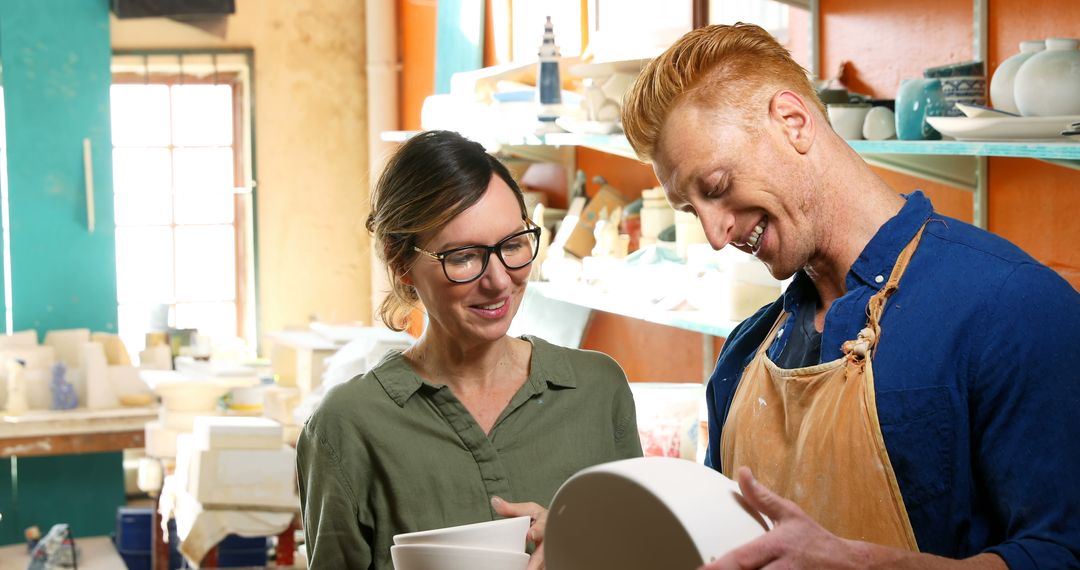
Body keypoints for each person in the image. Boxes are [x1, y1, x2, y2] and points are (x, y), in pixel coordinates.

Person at [622, 22, 1080, 569]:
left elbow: (1062, 553)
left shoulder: (1013, 306)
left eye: (716, 186)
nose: (716, 234)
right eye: (692, 209)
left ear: (792, 122)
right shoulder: (745, 355)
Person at [296, 130, 643, 569]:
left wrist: (579, 542)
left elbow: (645, 549)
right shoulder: (347, 427)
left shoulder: (597, 389)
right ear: (400, 262)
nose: (499, 280)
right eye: (464, 256)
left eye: (514, 245)